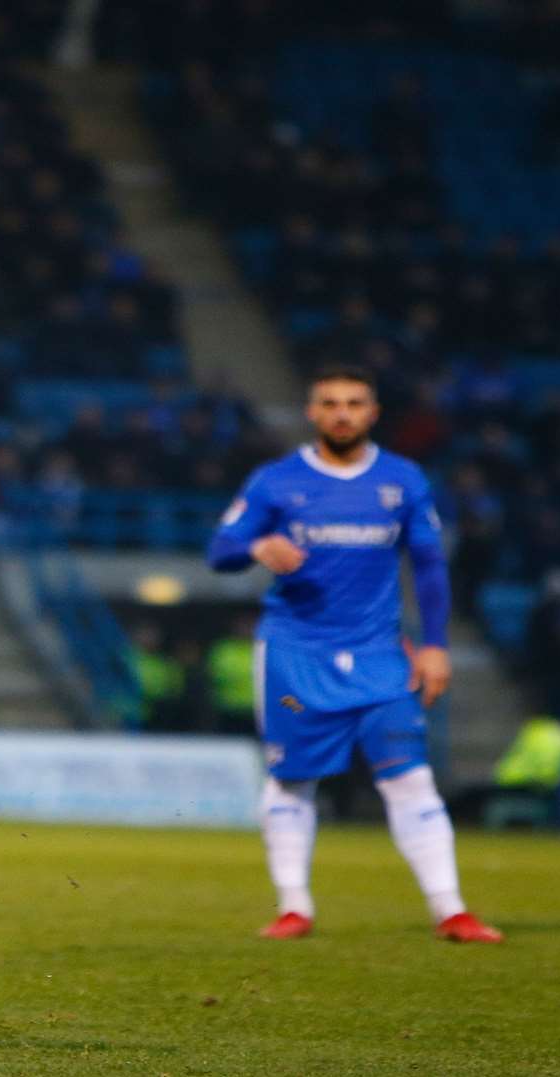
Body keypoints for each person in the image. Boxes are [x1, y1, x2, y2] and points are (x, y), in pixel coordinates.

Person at [207, 365, 501, 944]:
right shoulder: (275, 481)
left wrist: (436, 646)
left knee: (410, 777)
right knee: (292, 780)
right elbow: (220, 550)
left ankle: (451, 910)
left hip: (379, 656)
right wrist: (256, 545)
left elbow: (431, 565)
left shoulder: (403, 480)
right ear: (312, 413)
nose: (342, 413)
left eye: (354, 403)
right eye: (330, 403)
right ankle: (295, 907)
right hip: (295, 654)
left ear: (372, 413)